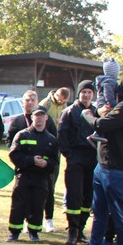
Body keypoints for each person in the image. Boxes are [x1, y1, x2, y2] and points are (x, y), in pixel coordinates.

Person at [72, 72, 123, 245]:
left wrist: (88, 114)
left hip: (117, 168)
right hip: (103, 165)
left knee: (118, 214)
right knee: (99, 212)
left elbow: (101, 124)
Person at [7, 106, 59, 242]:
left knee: (38, 205)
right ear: (32, 117)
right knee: (19, 204)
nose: (39, 118)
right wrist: (31, 160)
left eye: (42, 115)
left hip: (41, 178)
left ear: (46, 118)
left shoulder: (52, 140)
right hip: (24, 176)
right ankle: (14, 232)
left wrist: (46, 164)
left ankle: (34, 232)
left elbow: (55, 161)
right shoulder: (22, 135)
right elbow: (14, 155)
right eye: (36, 115)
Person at [58, 80, 98, 245]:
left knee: (88, 196)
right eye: (83, 92)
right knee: (74, 195)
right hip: (75, 158)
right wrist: (69, 155)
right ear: (78, 94)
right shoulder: (70, 112)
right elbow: (62, 135)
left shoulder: (96, 112)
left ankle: (81, 228)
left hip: (93, 158)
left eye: (89, 92)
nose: (86, 95)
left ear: (93, 94)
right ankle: (72, 230)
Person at [38, 87, 71, 230]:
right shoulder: (46, 103)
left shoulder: (65, 106)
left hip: (57, 142)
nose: (60, 102)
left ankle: (48, 215)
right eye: (59, 99)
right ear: (56, 95)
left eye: (63, 101)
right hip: (44, 141)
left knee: (52, 177)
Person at [89, 58, 120, 143]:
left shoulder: (105, 80)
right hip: (105, 103)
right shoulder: (109, 82)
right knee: (104, 118)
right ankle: (98, 133)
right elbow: (108, 94)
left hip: (102, 101)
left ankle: (98, 133)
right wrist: (113, 103)